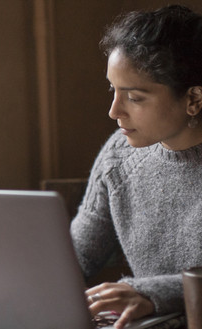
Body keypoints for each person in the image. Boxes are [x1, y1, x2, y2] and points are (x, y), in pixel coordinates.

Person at [70, 4, 202, 329]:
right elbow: (76, 257)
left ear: (194, 100)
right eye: (113, 90)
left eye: (134, 97)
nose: (114, 111)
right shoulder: (118, 155)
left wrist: (148, 292)